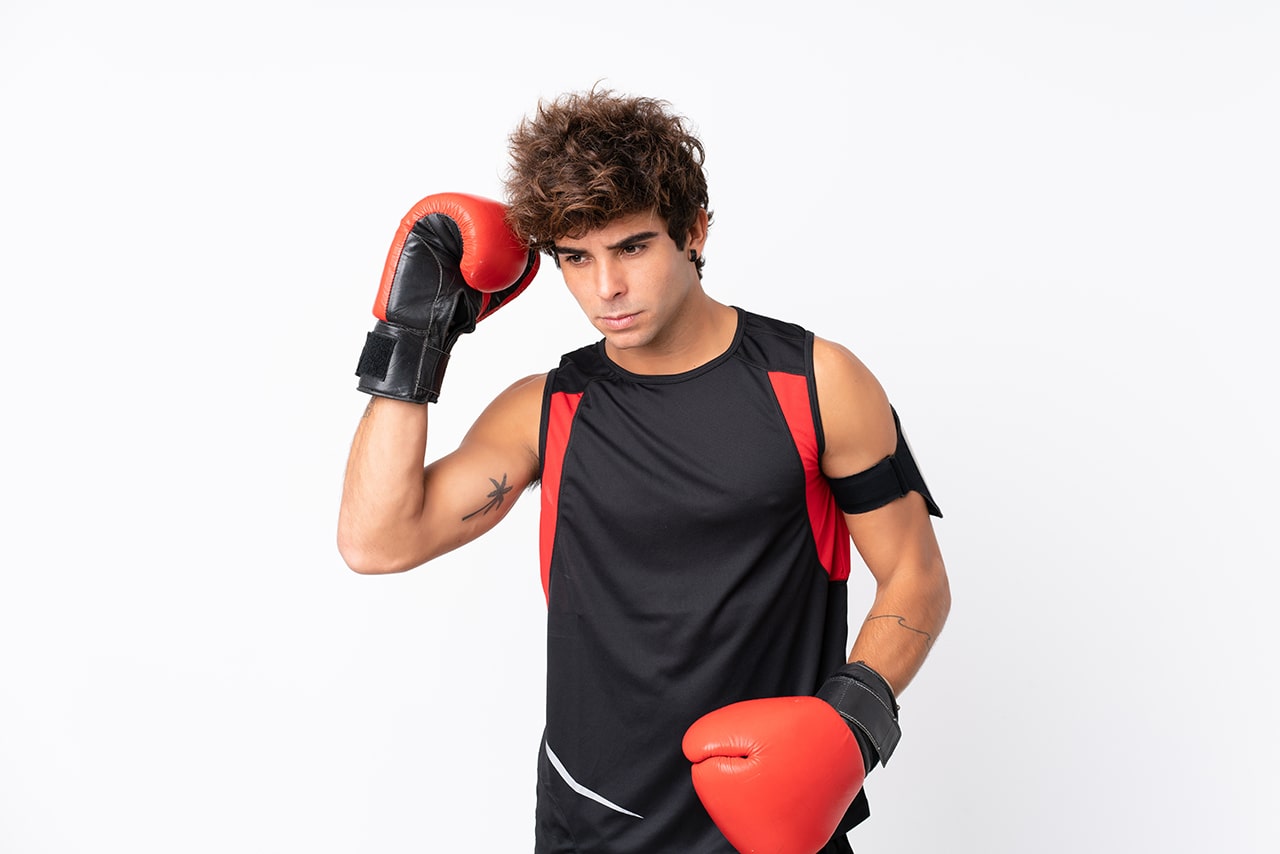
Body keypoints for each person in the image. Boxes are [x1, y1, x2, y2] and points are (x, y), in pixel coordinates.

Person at [338, 89, 950, 854]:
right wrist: (412, 339)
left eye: (632, 248)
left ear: (693, 231)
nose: (606, 288)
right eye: (576, 258)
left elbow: (917, 577)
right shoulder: (548, 409)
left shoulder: (817, 384)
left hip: (774, 832)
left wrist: (849, 722)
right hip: (591, 830)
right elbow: (377, 541)